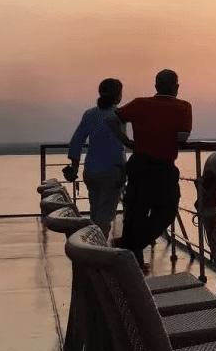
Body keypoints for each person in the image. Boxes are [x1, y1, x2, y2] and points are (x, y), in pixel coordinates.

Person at [108, 69, 192, 271]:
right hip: (164, 168)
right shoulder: (183, 107)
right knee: (166, 212)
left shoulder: (139, 104)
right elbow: (182, 139)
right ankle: (132, 248)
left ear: (156, 86)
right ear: (177, 87)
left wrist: (127, 141)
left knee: (136, 212)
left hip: (139, 166)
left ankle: (130, 249)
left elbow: (111, 119)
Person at [65, 79, 126, 236]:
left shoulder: (89, 114)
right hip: (112, 171)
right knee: (105, 217)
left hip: (91, 170)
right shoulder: (118, 115)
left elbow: (77, 141)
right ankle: (99, 251)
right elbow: (117, 146)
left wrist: (74, 166)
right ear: (118, 95)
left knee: (95, 211)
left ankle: (93, 245)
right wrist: (123, 170)